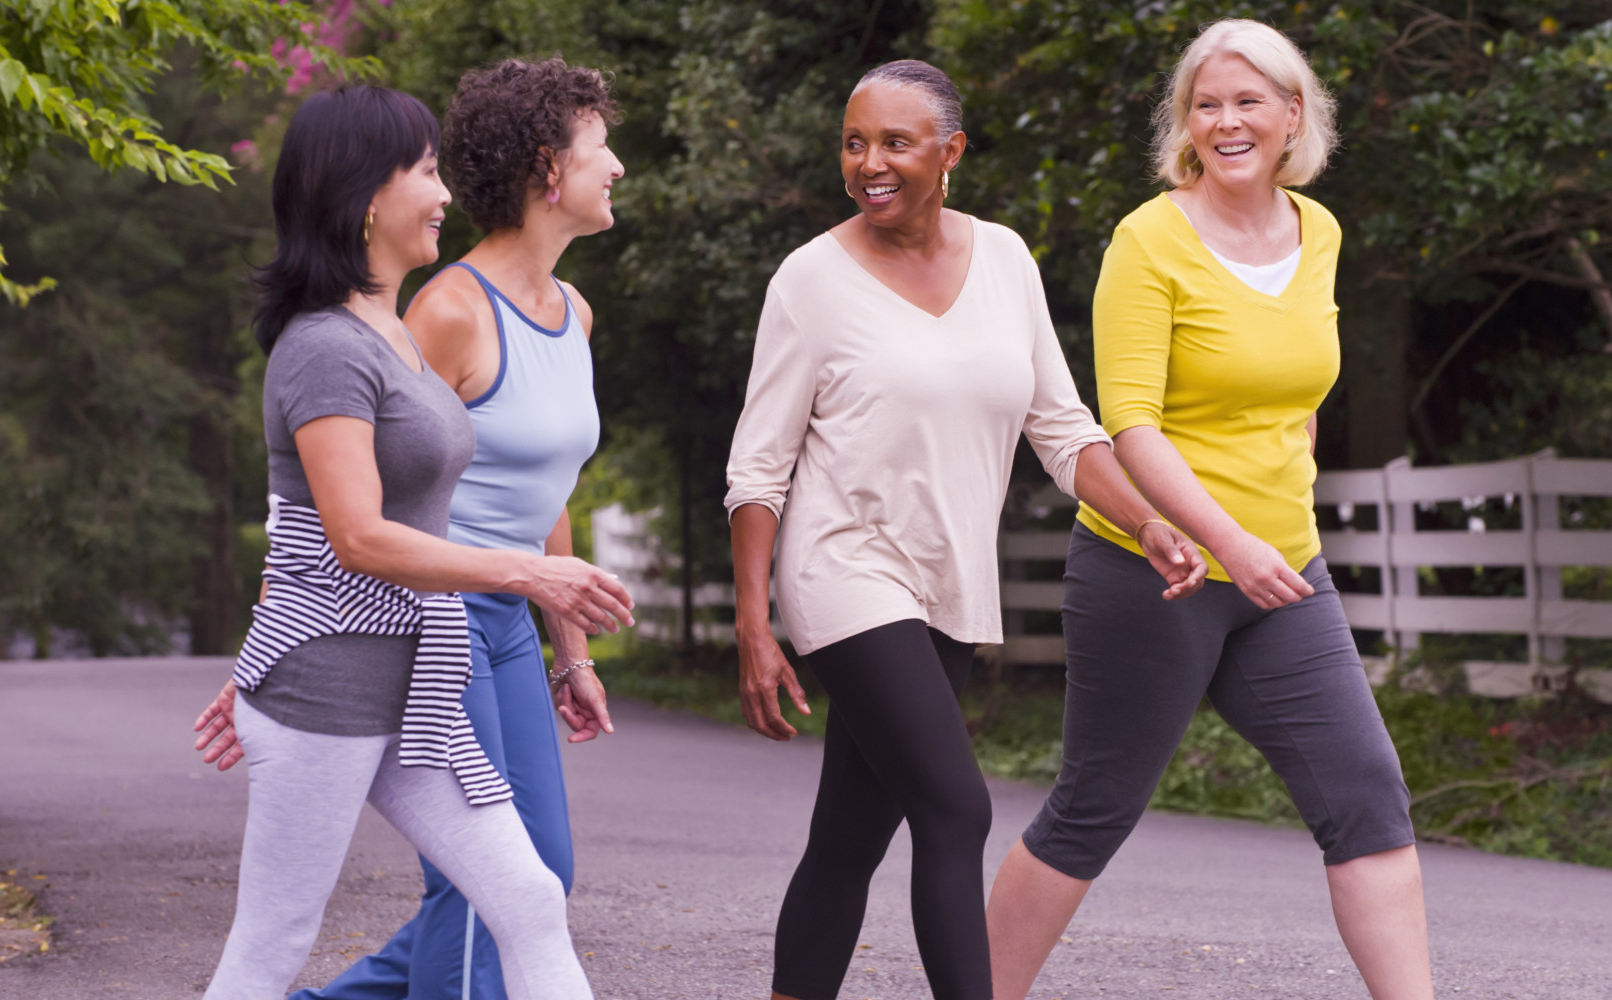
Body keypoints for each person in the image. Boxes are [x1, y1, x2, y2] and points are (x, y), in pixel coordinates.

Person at [723, 60, 1208, 1000]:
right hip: (844, 571)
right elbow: (759, 466)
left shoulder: (1006, 260)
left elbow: (1064, 431)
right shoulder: (810, 281)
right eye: (854, 142)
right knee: (955, 810)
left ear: (950, 154)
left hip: (947, 585)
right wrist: (754, 619)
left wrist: (1146, 521)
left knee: (847, 840)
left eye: (896, 143)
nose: (870, 163)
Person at [982, 19, 1434, 1000]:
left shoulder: (1319, 232)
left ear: (1290, 115)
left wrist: (1279, 504)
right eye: (1205, 103)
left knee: (1365, 798)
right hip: (1153, 572)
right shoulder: (1148, 241)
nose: (1225, 121)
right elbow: (1129, 427)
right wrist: (1225, 537)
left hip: (1282, 573)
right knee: (1093, 806)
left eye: (1246, 102)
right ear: (1184, 122)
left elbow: (1297, 388)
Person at [190, 84, 632, 1000]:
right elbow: (350, 535)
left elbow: (382, 510)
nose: (444, 193)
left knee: (528, 896)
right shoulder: (322, 349)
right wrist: (529, 573)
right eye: (424, 172)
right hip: (329, 693)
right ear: (364, 198)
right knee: (272, 944)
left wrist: (546, 612)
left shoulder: (387, 331)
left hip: (417, 680)